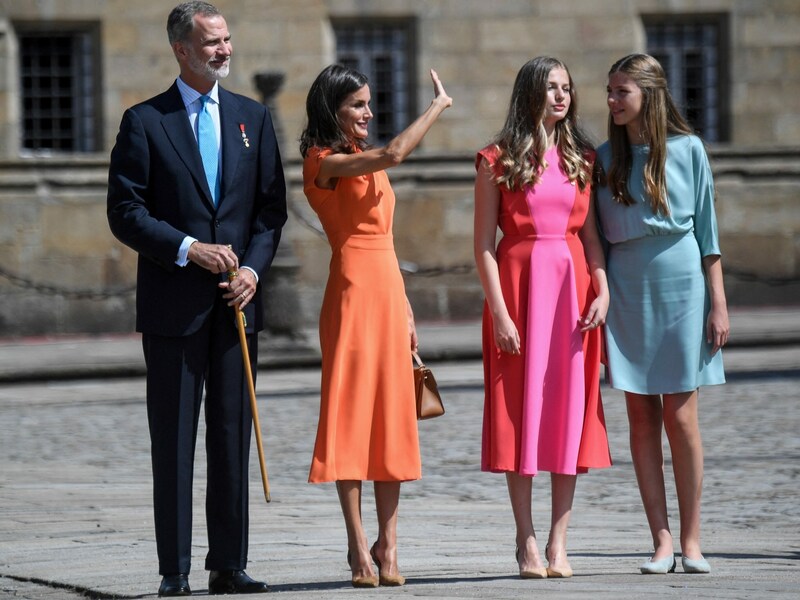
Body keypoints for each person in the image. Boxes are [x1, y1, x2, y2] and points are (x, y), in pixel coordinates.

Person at [107, 2, 286, 596]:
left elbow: (268, 213)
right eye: (211, 42)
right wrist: (188, 248)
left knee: (232, 433)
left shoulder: (252, 119)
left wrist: (253, 273)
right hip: (173, 308)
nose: (224, 50)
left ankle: (228, 565)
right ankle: (174, 570)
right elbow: (126, 211)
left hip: (237, 307)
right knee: (176, 438)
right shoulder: (145, 122)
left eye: (227, 39)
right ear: (182, 50)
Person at [299, 64, 452, 588]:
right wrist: (437, 106)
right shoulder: (322, 161)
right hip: (351, 294)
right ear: (332, 110)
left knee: (391, 415)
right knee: (351, 414)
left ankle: (390, 544)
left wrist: (407, 307)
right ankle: (357, 544)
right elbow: (392, 153)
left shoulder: (367, 163)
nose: (368, 112)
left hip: (387, 291)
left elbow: (386, 240)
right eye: (357, 105)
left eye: (369, 103)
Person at [473, 56, 612, 580]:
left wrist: (602, 291)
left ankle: (559, 541)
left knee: (567, 412)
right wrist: (500, 313)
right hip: (518, 293)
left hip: (572, 298)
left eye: (568, 88)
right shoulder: (495, 159)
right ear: (530, 92)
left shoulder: (584, 159)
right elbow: (484, 246)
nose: (562, 96)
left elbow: (592, 240)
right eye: (552, 87)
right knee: (521, 411)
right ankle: (525, 538)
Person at [594, 53, 729, 575]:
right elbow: (594, 239)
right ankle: (661, 539)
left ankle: (693, 539)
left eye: (621, 91)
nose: (612, 100)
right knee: (640, 416)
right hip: (627, 288)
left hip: (683, 285)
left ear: (648, 93)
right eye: (609, 91)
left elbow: (708, 236)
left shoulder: (690, 149)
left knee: (681, 415)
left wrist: (717, 302)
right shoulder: (604, 158)